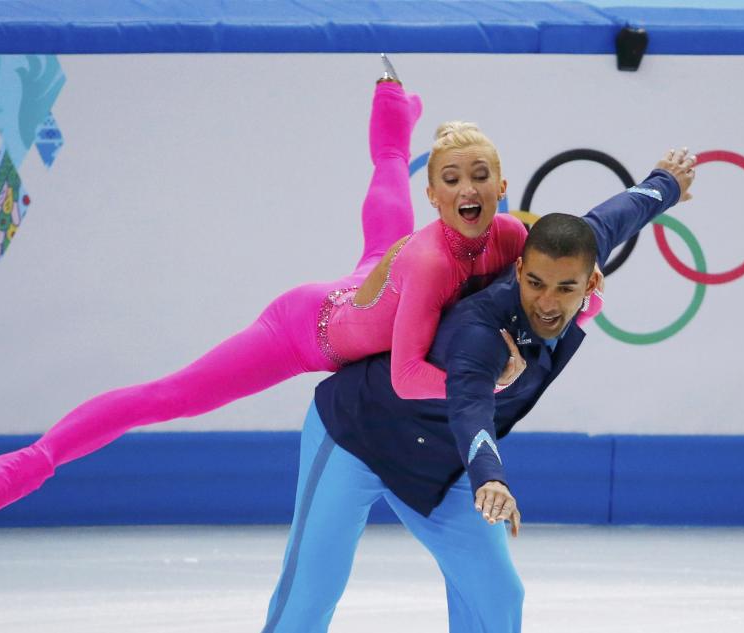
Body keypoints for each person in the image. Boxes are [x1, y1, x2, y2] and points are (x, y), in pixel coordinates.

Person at [0, 58, 603, 524]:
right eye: (450, 179)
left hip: (378, 283)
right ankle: (23, 466)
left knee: (382, 222)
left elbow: (564, 276)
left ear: (501, 184)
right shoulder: (433, 260)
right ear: (433, 192)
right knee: (170, 395)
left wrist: (589, 292)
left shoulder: (517, 237)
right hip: (307, 327)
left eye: (480, 176)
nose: (467, 190)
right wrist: (485, 384)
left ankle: (392, 118)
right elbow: (406, 375)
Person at [260, 148, 697, 633]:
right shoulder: (483, 331)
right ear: (518, 270)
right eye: (534, 283)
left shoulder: (576, 248)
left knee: (497, 595)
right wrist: (489, 475)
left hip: (440, 464)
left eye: (564, 288)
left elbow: (619, 214)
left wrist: (667, 183)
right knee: (312, 591)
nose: (546, 302)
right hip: (356, 437)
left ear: (591, 281)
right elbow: (471, 407)